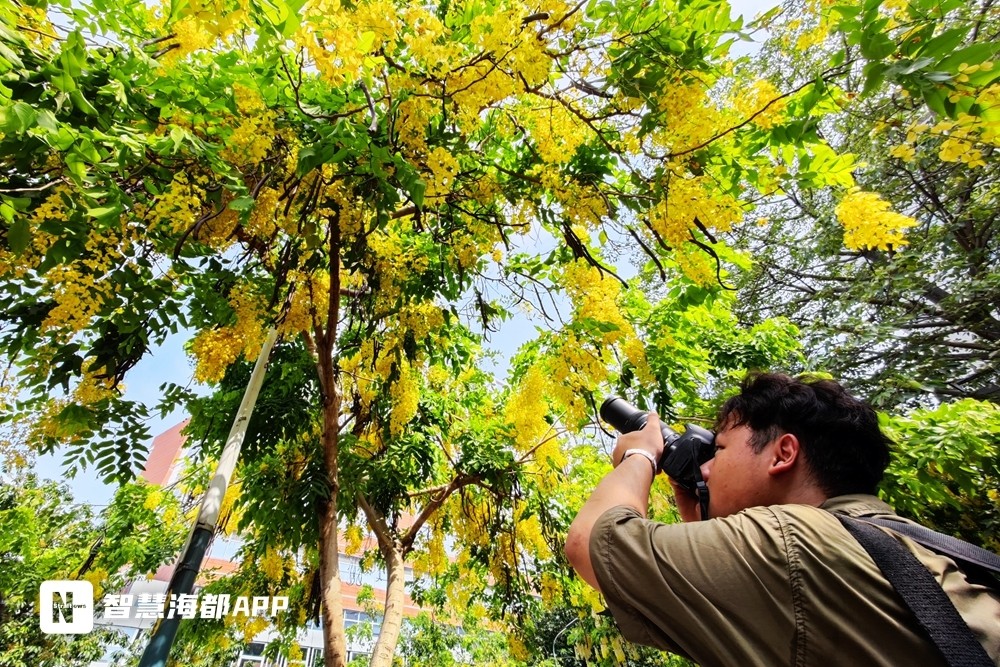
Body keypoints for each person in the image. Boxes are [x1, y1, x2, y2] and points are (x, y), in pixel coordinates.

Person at [564, 372, 1000, 666]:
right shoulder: (897, 542)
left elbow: (591, 542)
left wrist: (640, 453)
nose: (708, 467)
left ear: (783, 454)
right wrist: (696, 499)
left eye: (719, 450)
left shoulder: (792, 541)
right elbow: (725, 601)